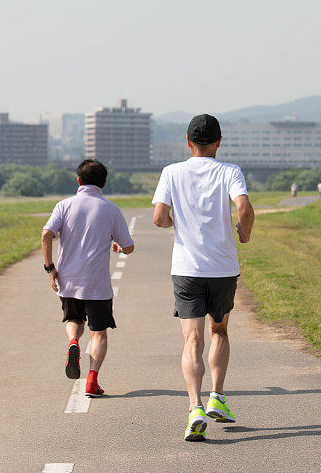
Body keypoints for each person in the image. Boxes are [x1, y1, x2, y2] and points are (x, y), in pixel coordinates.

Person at [152, 113, 255, 442]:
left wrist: (176, 224)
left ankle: (195, 407)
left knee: (191, 341)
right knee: (219, 331)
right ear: (219, 142)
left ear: (187, 142)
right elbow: (245, 209)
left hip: (186, 269)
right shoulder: (229, 171)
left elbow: (159, 218)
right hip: (223, 268)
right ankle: (217, 397)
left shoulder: (172, 172)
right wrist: (245, 233)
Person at [41, 159, 134, 398]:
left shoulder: (64, 205)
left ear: (78, 180)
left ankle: (73, 341)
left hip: (68, 281)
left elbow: (46, 234)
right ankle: (92, 381)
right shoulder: (111, 208)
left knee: (73, 320)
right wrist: (119, 248)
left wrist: (51, 268)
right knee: (99, 332)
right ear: (103, 182)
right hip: (97, 284)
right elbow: (129, 246)